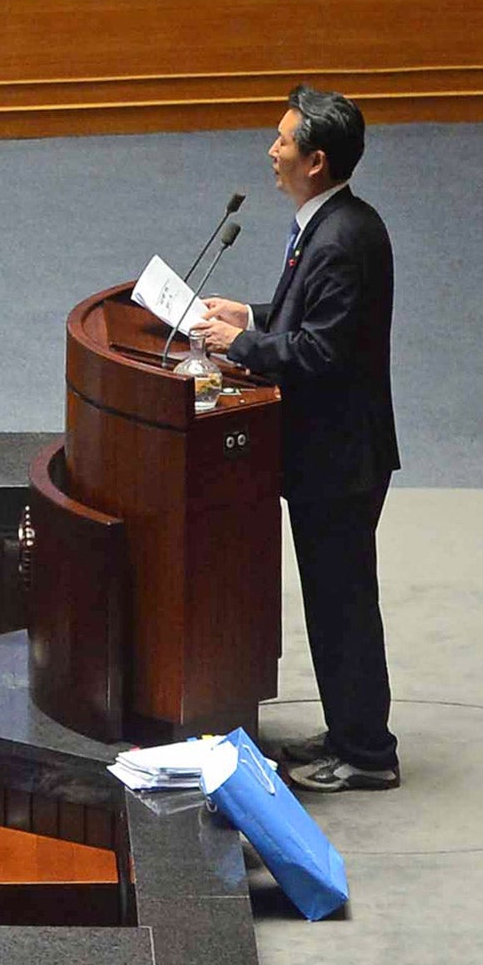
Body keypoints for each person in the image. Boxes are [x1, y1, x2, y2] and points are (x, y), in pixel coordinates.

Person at [192, 86, 401, 793]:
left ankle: (368, 752)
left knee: (342, 605)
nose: (271, 151)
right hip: (334, 457)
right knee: (334, 600)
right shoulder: (332, 223)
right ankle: (351, 728)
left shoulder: (342, 240)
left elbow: (320, 354)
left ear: (315, 161)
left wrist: (242, 343)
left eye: (282, 141)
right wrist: (247, 312)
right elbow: (306, 318)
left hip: (340, 461)